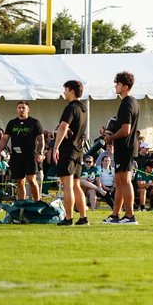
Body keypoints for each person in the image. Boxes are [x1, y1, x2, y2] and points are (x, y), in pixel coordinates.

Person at [101, 70, 141, 225]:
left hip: (126, 147)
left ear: (125, 86)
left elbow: (126, 129)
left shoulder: (127, 103)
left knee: (125, 181)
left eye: (117, 84)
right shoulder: (131, 102)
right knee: (119, 182)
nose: (115, 86)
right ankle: (115, 214)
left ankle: (130, 216)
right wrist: (109, 132)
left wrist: (110, 137)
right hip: (125, 147)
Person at [52, 80, 89, 226]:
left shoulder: (71, 107)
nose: (64, 92)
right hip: (79, 150)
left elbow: (63, 127)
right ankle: (83, 217)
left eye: (65, 89)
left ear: (72, 91)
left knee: (67, 185)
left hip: (68, 149)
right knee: (76, 185)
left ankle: (68, 218)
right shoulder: (84, 109)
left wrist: (56, 147)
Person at [0, 102, 45, 202]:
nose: (21, 109)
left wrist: (40, 153)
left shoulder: (34, 122)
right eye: (19, 108)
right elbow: (5, 139)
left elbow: (41, 139)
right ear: (16, 109)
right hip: (16, 156)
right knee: (19, 182)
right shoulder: (12, 123)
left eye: (23, 108)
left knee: (31, 180)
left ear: (28, 109)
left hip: (30, 156)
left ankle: (37, 202)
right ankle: (21, 204)